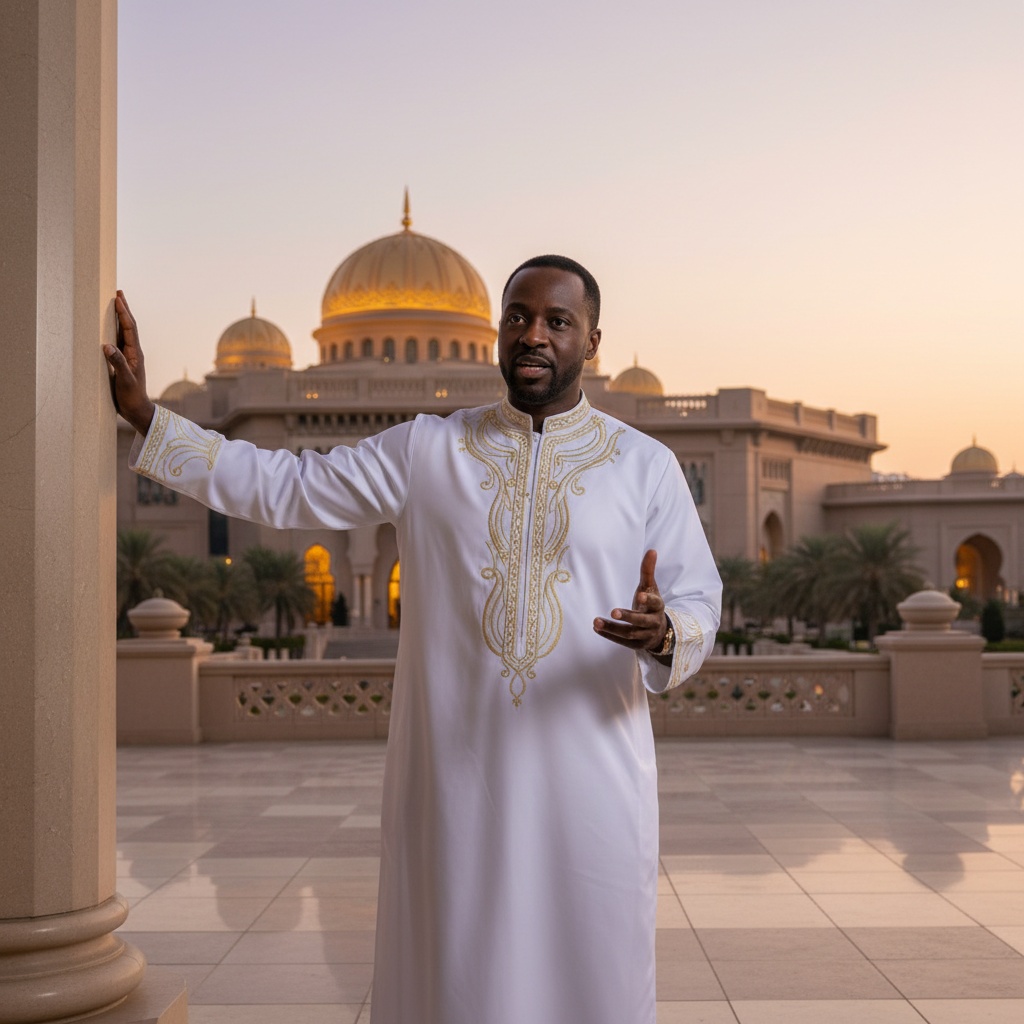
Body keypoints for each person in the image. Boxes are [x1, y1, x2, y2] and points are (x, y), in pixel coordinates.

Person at [105, 255, 722, 1024]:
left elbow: (699, 597)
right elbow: (286, 485)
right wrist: (149, 420)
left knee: (591, 969)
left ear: (592, 341)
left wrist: (669, 633)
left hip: (591, 783)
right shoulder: (428, 450)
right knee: (457, 972)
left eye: (557, 321)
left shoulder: (646, 469)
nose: (533, 335)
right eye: (518, 316)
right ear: (497, 332)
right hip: (459, 782)